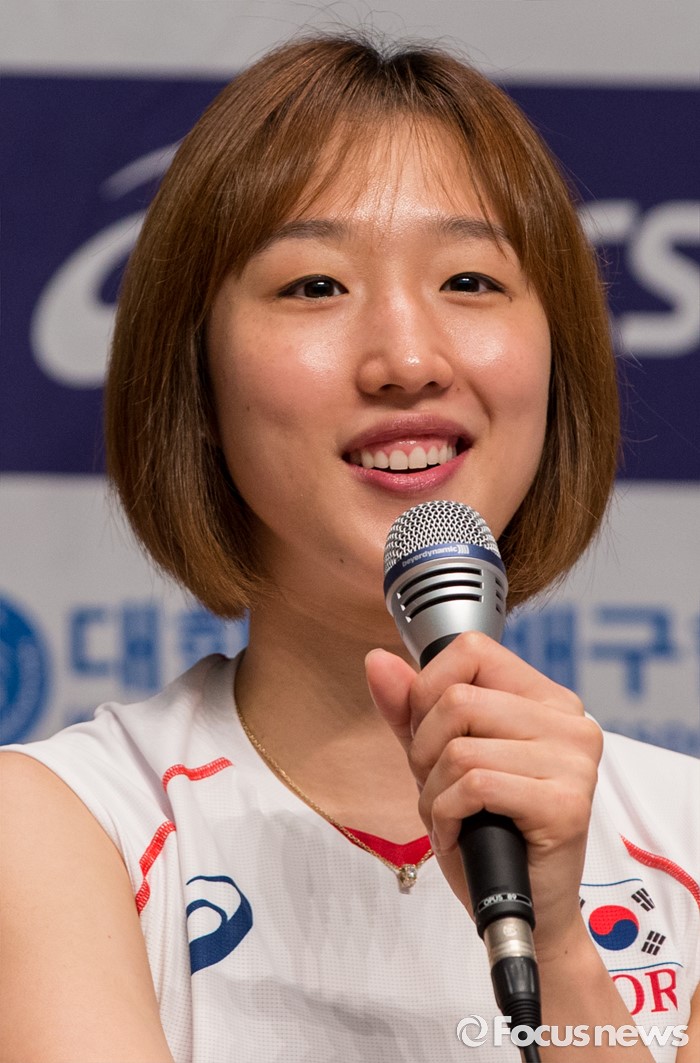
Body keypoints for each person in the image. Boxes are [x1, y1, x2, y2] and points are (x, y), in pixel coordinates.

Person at [1, 32, 698, 1063]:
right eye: (316, 286)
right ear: (198, 383)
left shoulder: (685, 837)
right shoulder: (67, 823)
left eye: (470, 279)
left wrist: (557, 946)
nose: (408, 359)